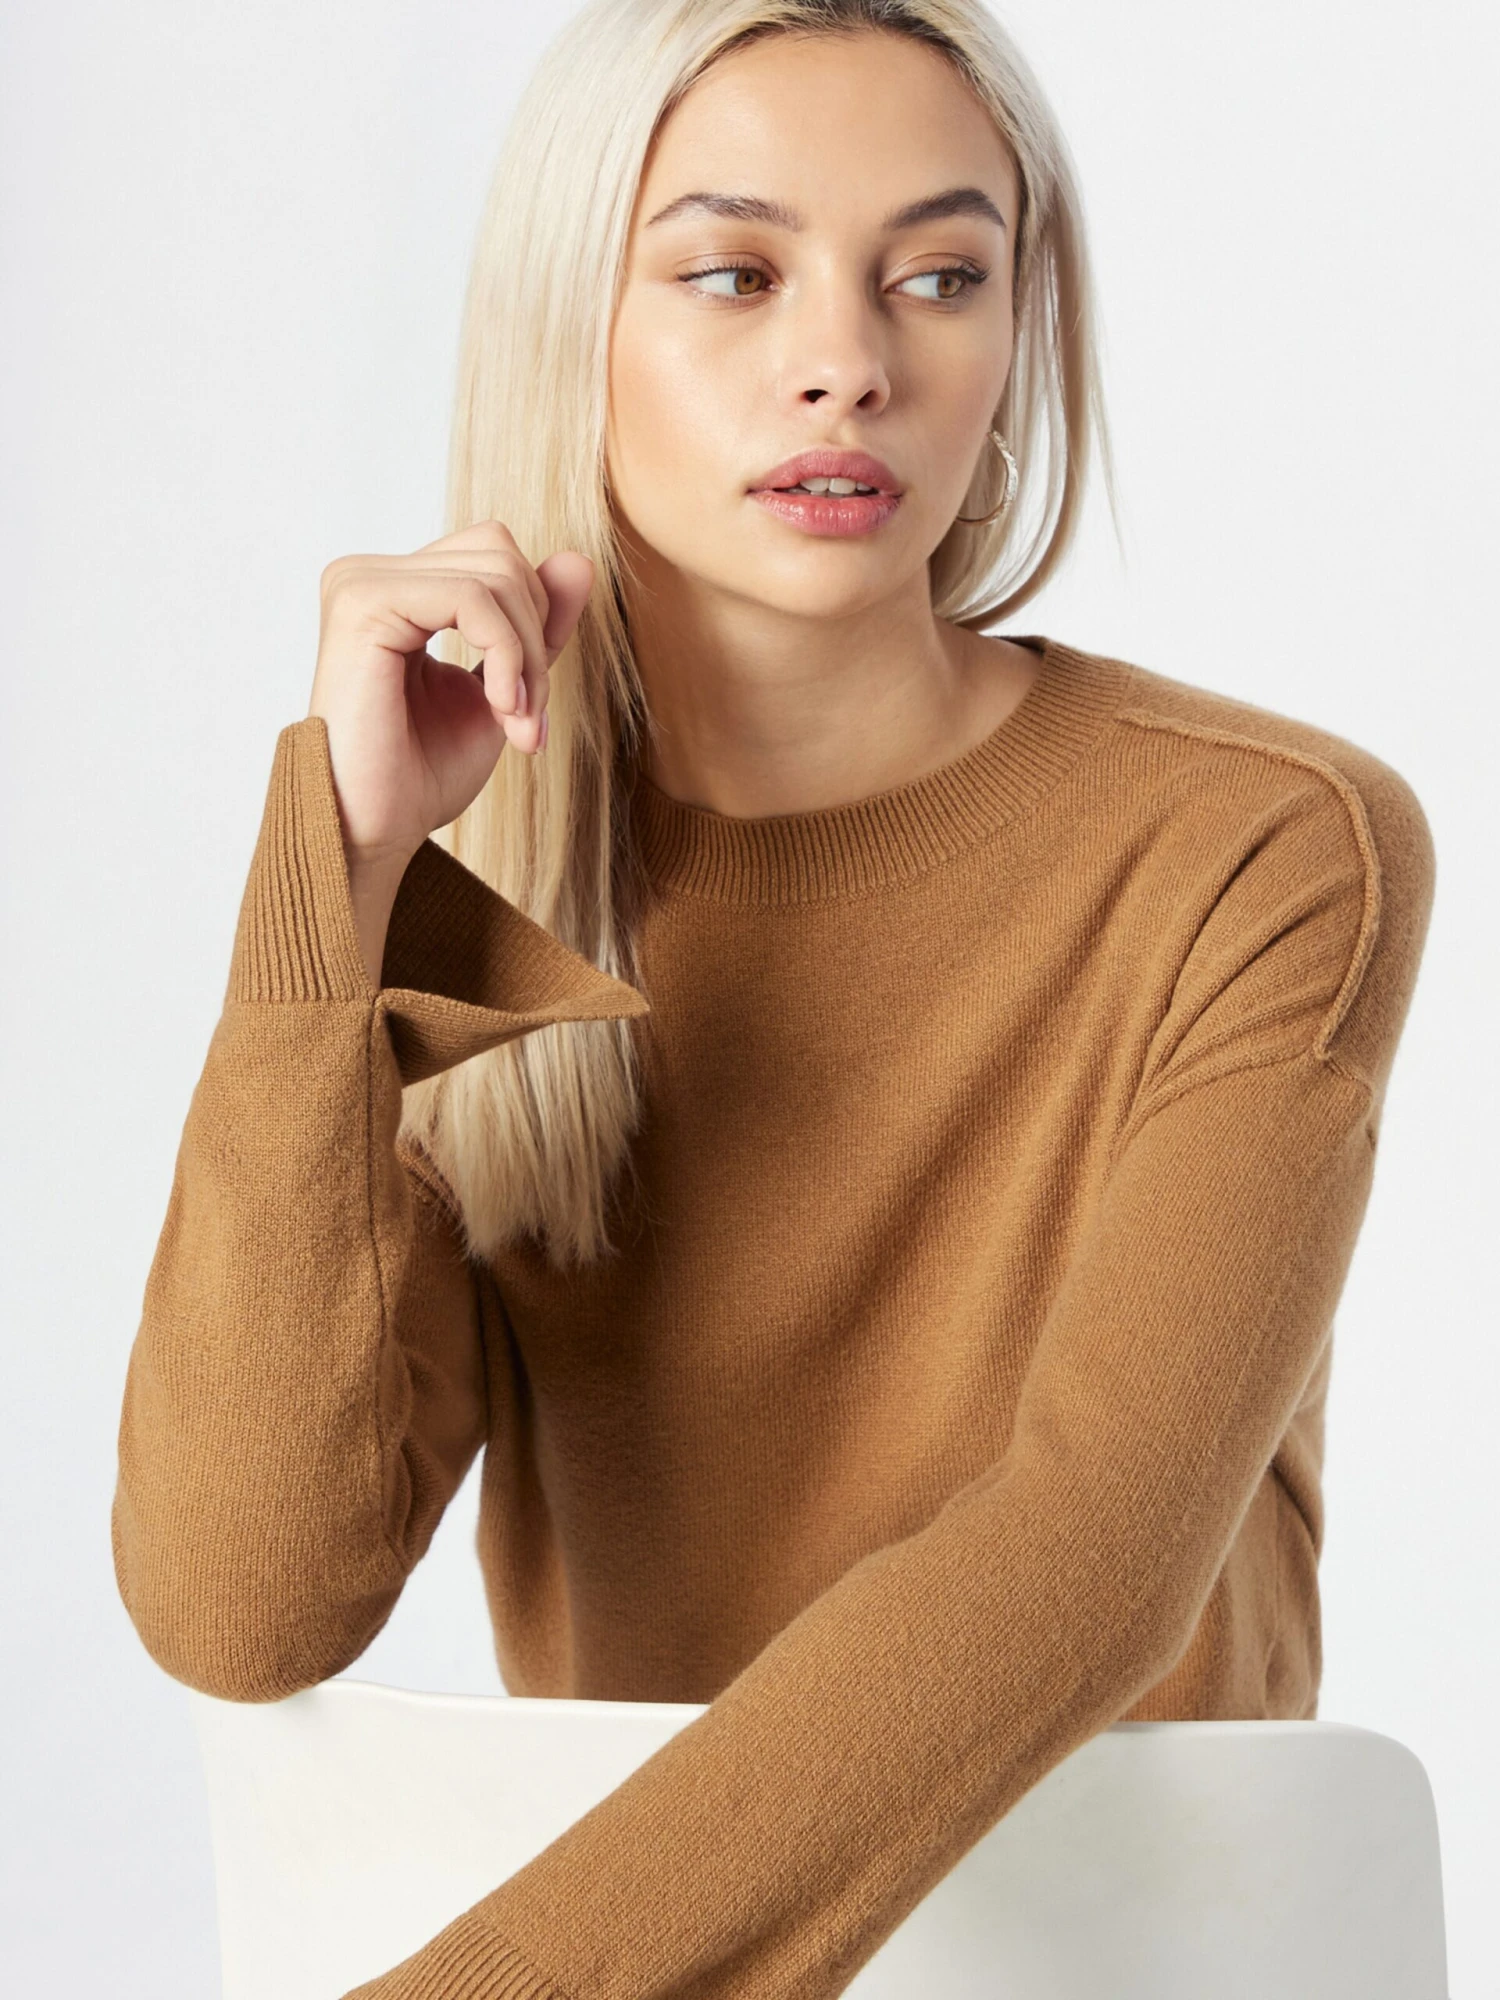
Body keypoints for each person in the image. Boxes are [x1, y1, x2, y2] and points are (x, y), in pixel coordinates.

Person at [109, 1, 1437, 1995]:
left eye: (942, 276)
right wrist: (339, 893)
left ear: (1021, 331)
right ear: (572, 325)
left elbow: (1085, 1555)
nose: (849, 362)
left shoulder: (1261, 847)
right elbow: (245, 1603)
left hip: (1123, 1963)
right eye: (735, 274)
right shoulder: (492, 895)